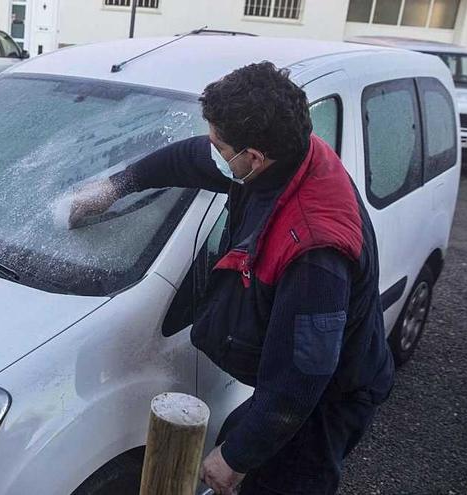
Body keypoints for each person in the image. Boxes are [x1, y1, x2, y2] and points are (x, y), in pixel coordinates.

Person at [68, 62, 394, 495]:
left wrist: (237, 458)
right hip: (293, 384)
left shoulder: (314, 255)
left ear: (253, 158)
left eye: (220, 145)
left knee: (280, 481)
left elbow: (304, 375)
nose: (212, 149)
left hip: (327, 399)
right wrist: (114, 187)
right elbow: (188, 160)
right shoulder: (286, 155)